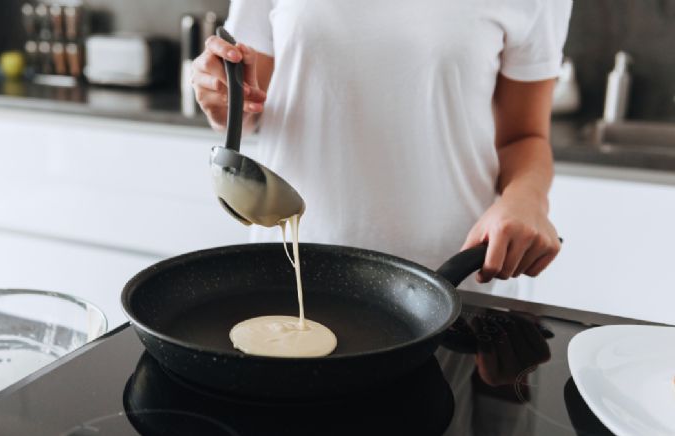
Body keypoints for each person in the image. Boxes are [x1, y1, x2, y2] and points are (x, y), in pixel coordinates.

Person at [191, 1, 571, 297]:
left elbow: (524, 137)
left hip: (447, 280)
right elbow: (249, 105)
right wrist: (219, 97)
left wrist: (527, 198)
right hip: (288, 270)